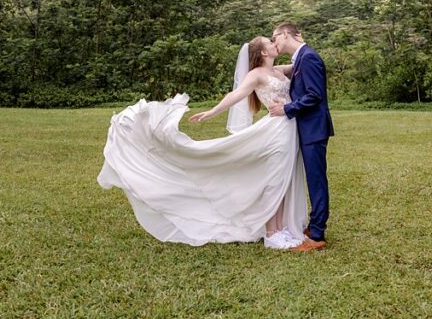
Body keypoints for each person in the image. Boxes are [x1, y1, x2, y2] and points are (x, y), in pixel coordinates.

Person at [97, 37, 307, 249]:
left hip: (288, 127)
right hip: (275, 130)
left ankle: (281, 229)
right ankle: (272, 234)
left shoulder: (279, 71)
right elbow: (237, 94)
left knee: (284, 180)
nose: (274, 43)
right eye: (269, 42)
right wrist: (213, 111)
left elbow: (302, 60)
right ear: (263, 52)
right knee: (274, 181)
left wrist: (297, 40)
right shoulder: (256, 75)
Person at [268, 22, 334, 252]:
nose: (274, 42)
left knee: (316, 180)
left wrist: (287, 109)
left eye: (274, 37)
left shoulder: (309, 57)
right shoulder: (300, 58)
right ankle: (314, 224)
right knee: (313, 178)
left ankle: (317, 235)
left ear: (285, 34)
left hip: (314, 128)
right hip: (307, 128)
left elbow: (315, 95)